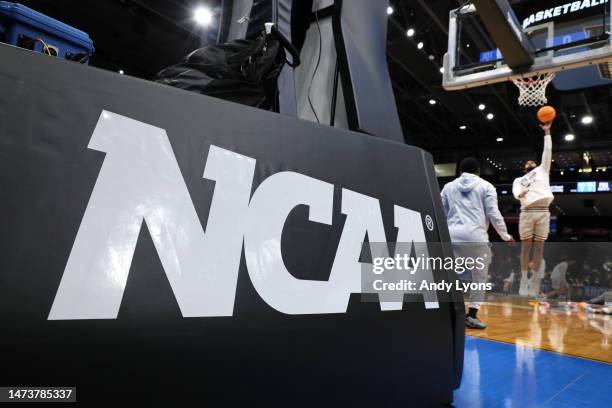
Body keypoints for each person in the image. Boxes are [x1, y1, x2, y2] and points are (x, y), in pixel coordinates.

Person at [441, 157, 515, 329]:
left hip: (452, 236)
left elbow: (441, 213)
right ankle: (472, 315)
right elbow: (493, 213)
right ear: (478, 171)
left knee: (449, 275)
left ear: (460, 171)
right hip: (475, 238)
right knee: (479, 278)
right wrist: (505, 235)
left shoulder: (448, 187)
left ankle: (447, 312)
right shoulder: (486, 186)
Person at [513, 123, 554, 297]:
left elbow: (547, 151)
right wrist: (519, 194)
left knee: (539, 249)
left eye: (533, 161)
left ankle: (535, 283)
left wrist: (547, 132)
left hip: (544, 211)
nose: (530, 162)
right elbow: (516, 192)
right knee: (525, 249)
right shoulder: (519, 179)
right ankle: (523, 280)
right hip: (527, 212)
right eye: (528, 162)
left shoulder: (543, 170)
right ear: (524, 168)